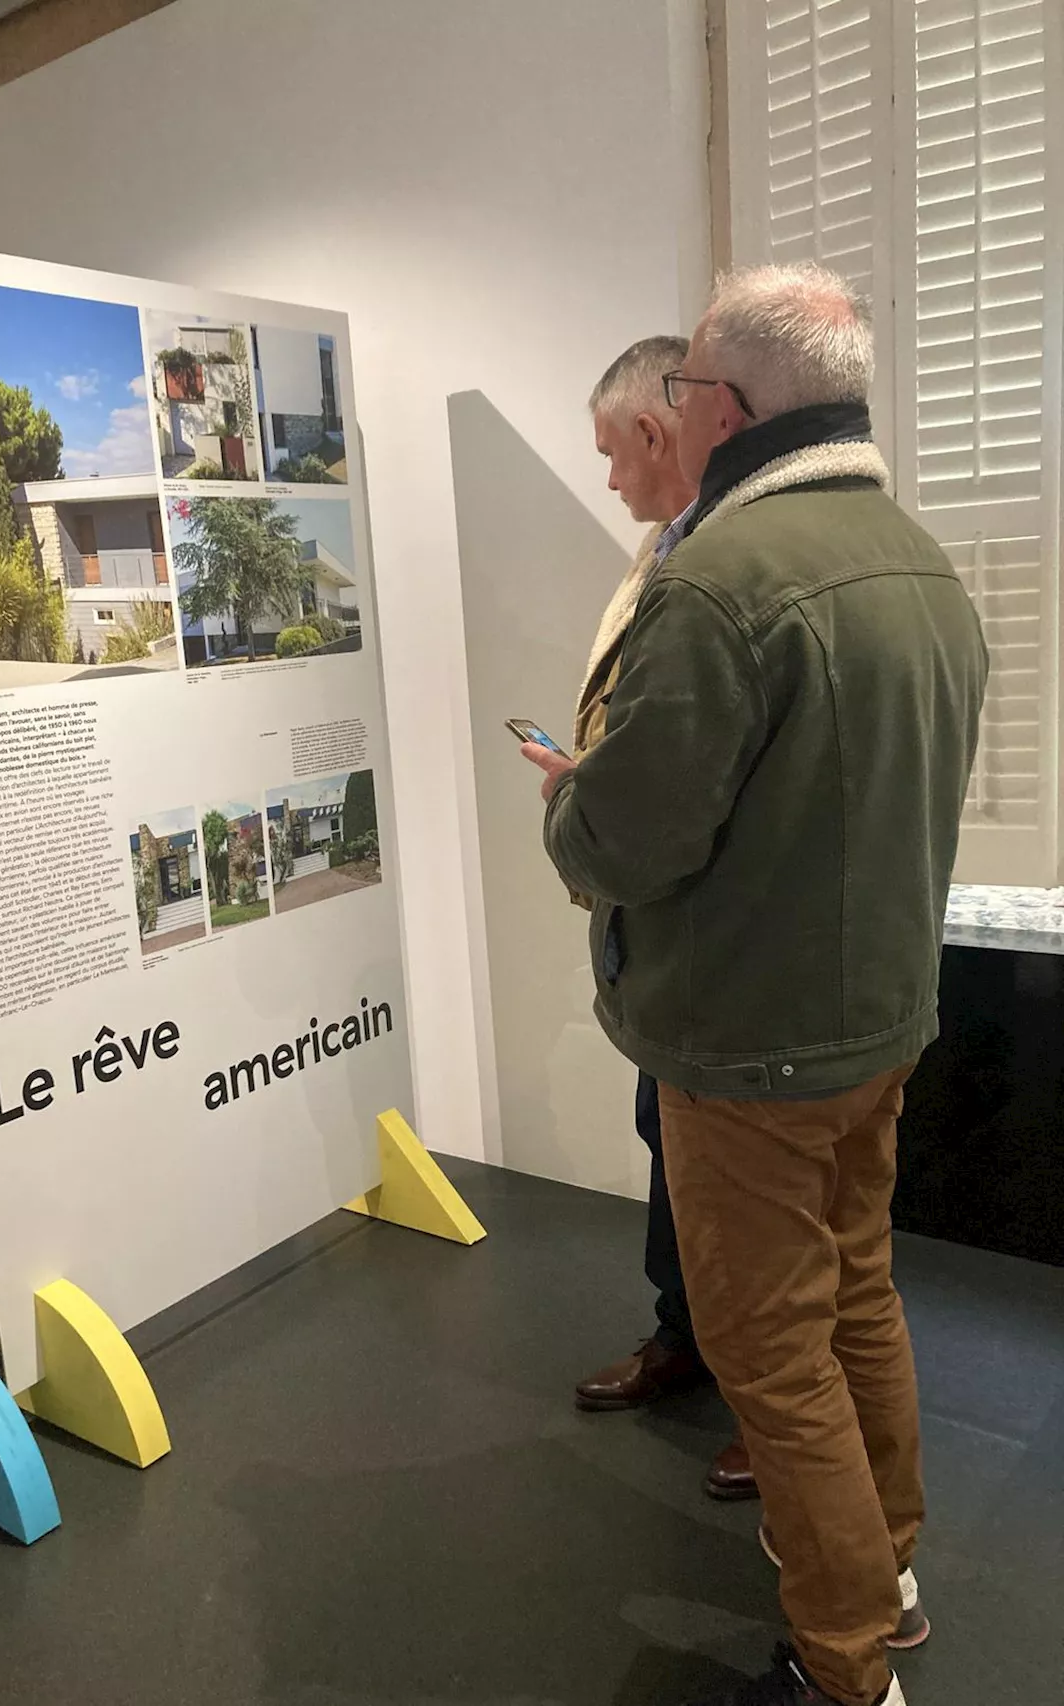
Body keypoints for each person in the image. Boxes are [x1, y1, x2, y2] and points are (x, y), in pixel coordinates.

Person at [523, 262, 987, 1706]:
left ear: (720, 407)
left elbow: (621, 837)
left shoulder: (720, 583)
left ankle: (847, 1664)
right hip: (878, 1028)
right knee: (858, 1298)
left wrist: (568, 801)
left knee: (775, 1357)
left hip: (749, 1049)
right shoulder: (922, 564)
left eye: (676, 400)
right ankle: (890, 1574)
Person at [574, 335, 757, 1504]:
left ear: (659, 431)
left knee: (752, 1192)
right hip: (671, 930)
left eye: (611, 451)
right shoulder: (669, 553)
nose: (607, 478)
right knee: (668, 1142)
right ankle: (688, 1338)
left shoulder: (730, 566)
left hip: (730, 941)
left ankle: (767, 1392)